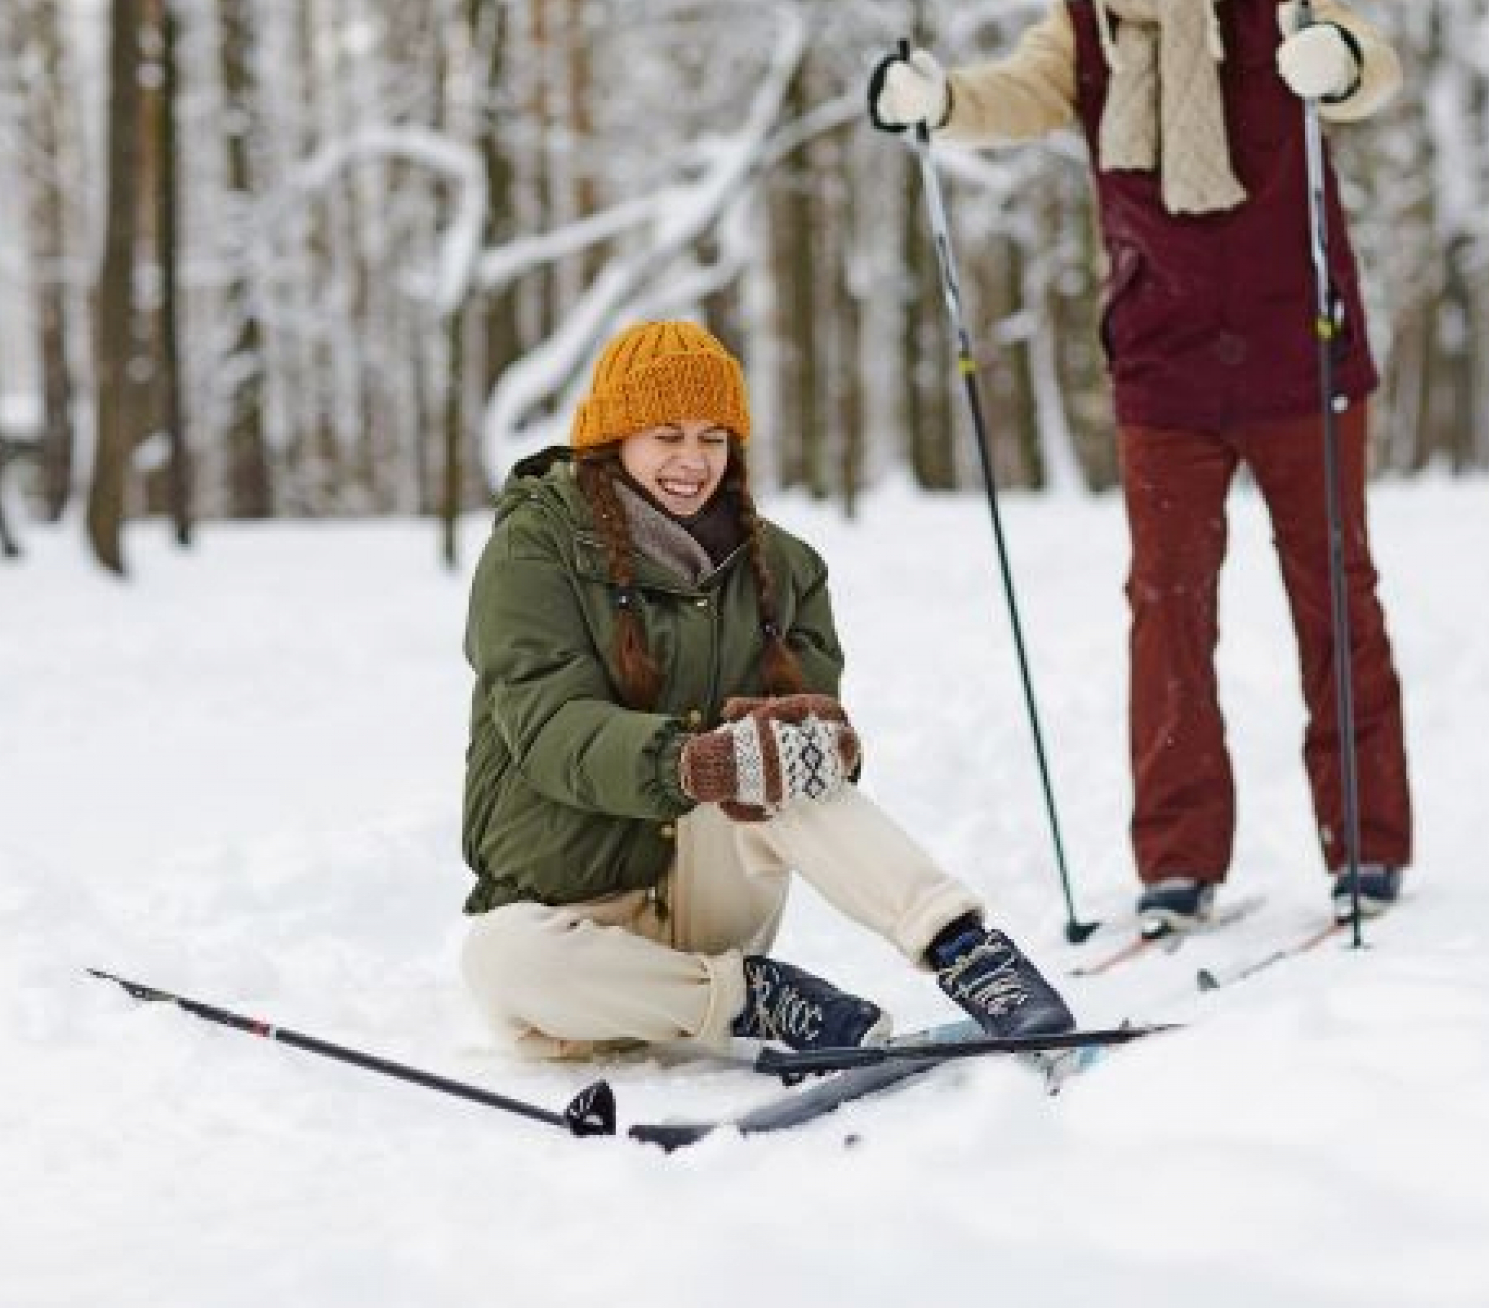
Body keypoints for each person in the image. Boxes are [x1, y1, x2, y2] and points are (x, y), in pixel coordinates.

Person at [866, 0, 1414, 928]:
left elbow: (1371, 64)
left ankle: (1366, 843)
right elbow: (1012, 94)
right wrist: (937, 97)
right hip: (1162, 366)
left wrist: (1335, 59)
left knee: (1333, 587)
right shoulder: (1082, 30)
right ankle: (1176, 858)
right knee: (1164, 610)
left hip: (1301, 354)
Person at [457, 318, 1075, 1060]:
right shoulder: (534, 549)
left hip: (709, 896)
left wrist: (822, 741)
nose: (692, 460)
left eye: (713, 437)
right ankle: (753, 998)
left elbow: (811, 742)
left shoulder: (783, 570)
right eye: (667, 434)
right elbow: (549, 724)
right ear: (614, 436)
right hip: (577, 934)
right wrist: (692, 762)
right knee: (498, 961)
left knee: (784, 759)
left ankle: (967, 951)